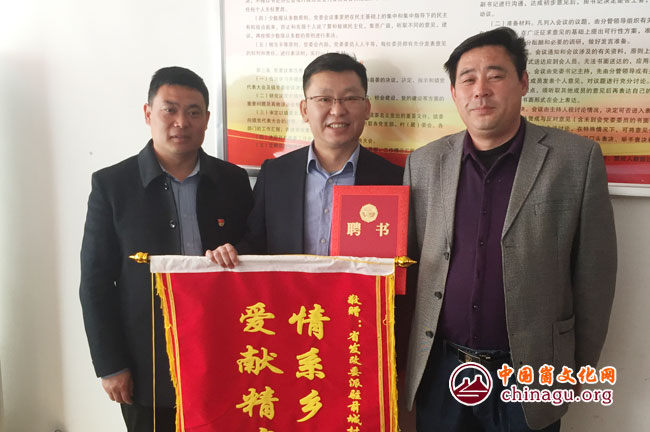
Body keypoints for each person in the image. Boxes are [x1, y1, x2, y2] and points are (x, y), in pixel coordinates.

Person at [401, 27, 617, 431]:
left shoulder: (575, 159)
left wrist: (576, 371)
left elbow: (595, 275)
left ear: (523, 82)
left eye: (495, 75)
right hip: (442, 370)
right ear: (454, 93)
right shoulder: (424, 163)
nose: (480, 90)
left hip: (530, 374)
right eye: (468, 79)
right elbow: (408, 269)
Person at [79, 66, 253, 431]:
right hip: (147, 362)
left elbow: (255, 251)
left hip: (223, 352)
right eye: (169, 110)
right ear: (148, 113)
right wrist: (110, 365)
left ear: (207, 119)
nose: (181, 122)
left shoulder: (234, 181)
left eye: (193, 112)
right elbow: (95, 283)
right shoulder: (113, 186)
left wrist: (235, 252)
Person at [207, 52, 403, 266]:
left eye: (350, 98)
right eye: (324, 99)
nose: (337, 110)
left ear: (367, 108)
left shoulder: (394, 179)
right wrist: (231, 253)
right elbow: (255, 243)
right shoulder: (275, 174)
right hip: (290, 289)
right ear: (304, 110)